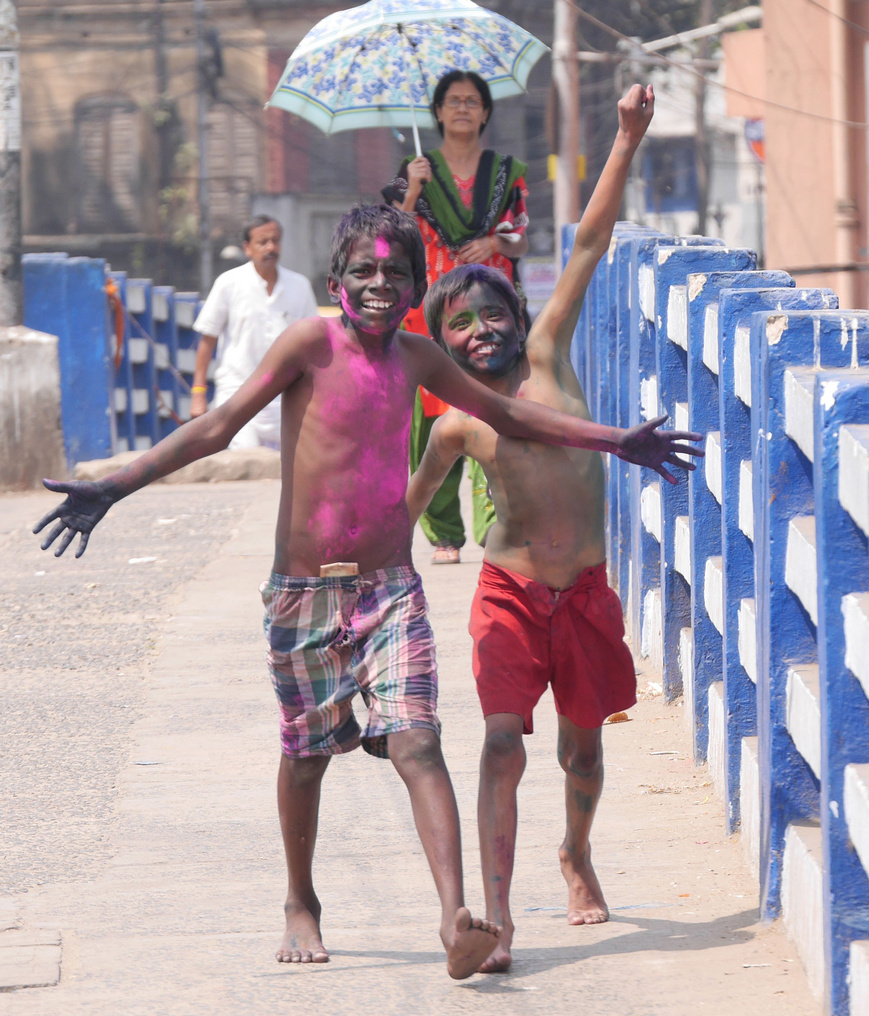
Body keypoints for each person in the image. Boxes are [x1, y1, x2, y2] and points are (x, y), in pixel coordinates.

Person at [32, 202, 697, 978]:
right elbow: (217, 427)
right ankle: (300, 898)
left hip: (390, 589)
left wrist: (619, 441)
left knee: (418, 742)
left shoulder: (420, 359)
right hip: (302, 591)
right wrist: (114, 486)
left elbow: (513, 411)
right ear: (334, 281)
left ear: (415, 286)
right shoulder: (309, 344)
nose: (378, 284)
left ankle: (456, 918)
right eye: (363, 270)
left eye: (394, 273)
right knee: (308, 756)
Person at [407, 86, 686, 973]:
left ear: (518, 320)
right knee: (498, 742)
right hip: (510, 597)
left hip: (587, 594)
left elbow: (594, 239)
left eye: (491, 314)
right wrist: (348, 562)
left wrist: (626, 137)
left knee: (582, 753)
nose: (480, 328)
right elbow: (407, 509)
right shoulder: (456, 422)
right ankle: (495, 918)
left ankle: (575, 851)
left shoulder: (548, 353)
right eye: (459, 323)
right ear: (441, 345)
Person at [384, 70, 529, 564]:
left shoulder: (507, 171)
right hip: (432, 310)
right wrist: (412, 189)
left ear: (486, 112)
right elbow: (394, 232)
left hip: (490, 305)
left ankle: (494, 519)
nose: (462, 108)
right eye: (453, 101)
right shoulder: (415, 168)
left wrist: (493, 242)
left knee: (492, 405)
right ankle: (444, 532)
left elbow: (522, 235)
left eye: (472, 101)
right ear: (438, 113)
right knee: (433, 417)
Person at [190, 215, 318, 449]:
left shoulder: (299, 286)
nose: (271, 247)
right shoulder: (229, 283)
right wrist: (198, 393)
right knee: (245, 465)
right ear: (247, 248)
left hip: (285, 398)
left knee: (284, 472)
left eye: (275, 241)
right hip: (237, 395)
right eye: (263, 242)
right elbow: (208, 339)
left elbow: (314, 342)